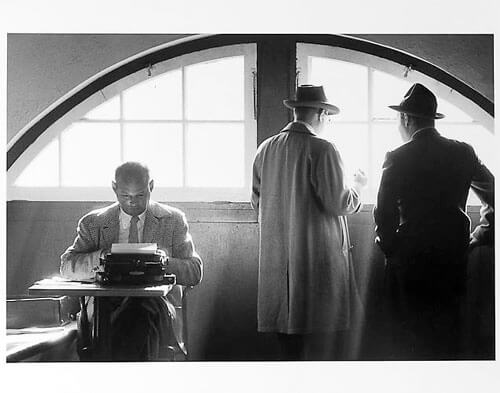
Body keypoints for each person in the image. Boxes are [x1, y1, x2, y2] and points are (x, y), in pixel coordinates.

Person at [374, 83, 494, 359]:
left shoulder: (397, 157)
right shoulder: (464, 152)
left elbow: (384, 214)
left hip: (409, 263)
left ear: (406, 118)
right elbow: (494, 195)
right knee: (447, 335)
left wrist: (392, 250)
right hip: (452, 258)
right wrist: (481, 233)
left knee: (406, 338)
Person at [251, 84, 368, 360]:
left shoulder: (265, 149)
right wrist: (358, 186)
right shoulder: (323, 149)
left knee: (288, 343)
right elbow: (339, 202)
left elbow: (257, 202)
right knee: (319, 342)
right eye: (327, 116)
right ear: (320, 113)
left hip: (277, 259)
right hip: (316, 261)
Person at [60, 161, 202, 361]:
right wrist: (102, 256)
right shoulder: (94, 223)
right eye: (125, 196)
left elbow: (194, 272)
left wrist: (162, 262)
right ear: (114, 188)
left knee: (137, 311)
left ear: (151, 187)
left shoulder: (173, 220)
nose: (132, 202)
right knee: (125, 318)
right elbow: (67, 266)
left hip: (155, 305)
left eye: (140, 195)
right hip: (104, 306)